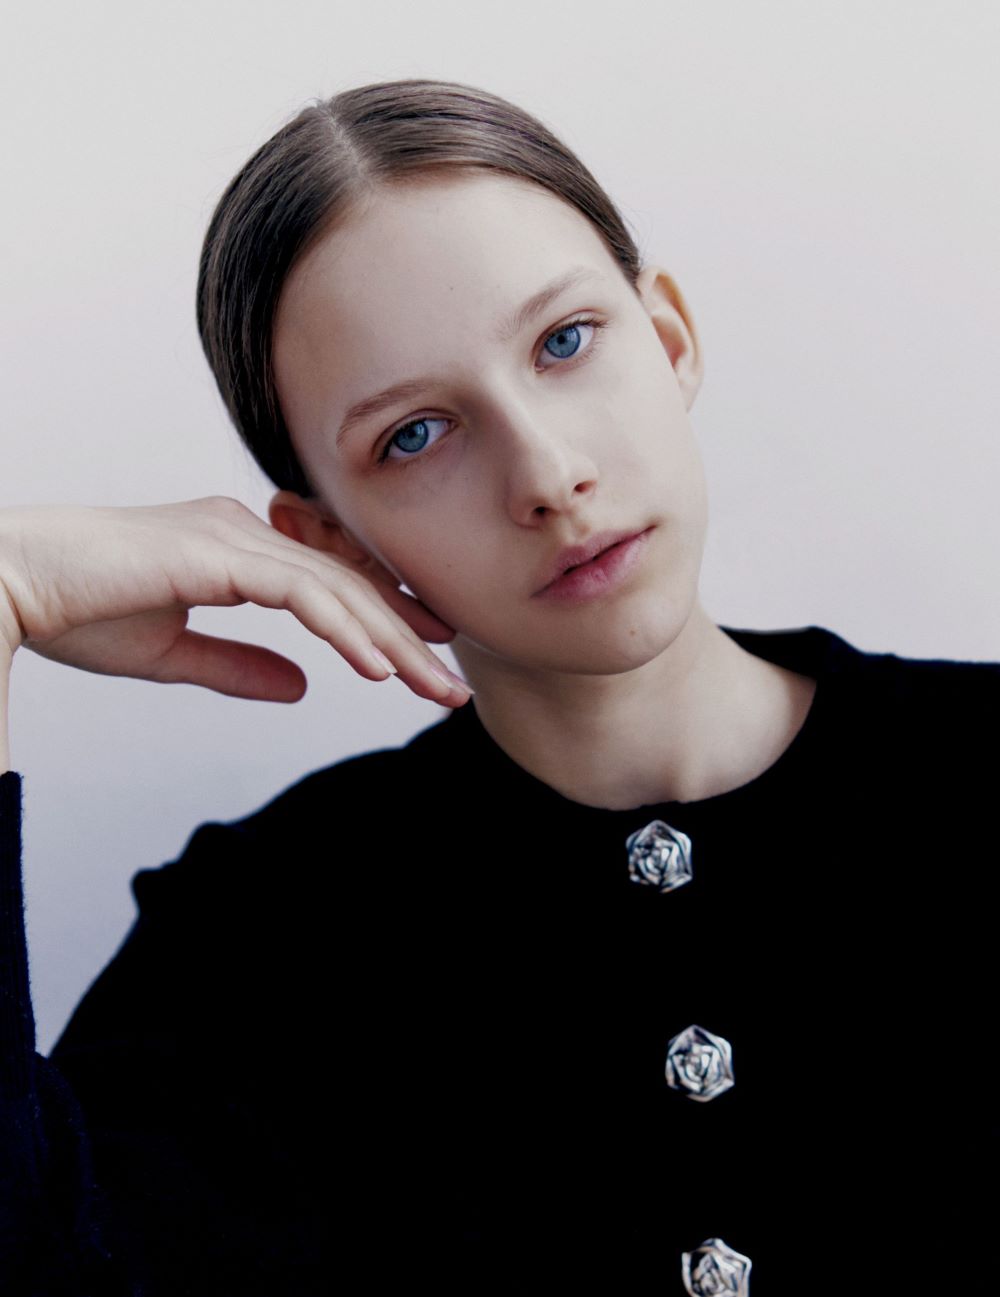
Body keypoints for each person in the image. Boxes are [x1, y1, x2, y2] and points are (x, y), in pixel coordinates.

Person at [0, 76, 996, 1297]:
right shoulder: (267, 937)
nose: (546, 475)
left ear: (669, 338)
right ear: (332, 541)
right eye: (414, 434)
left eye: (564, 342)